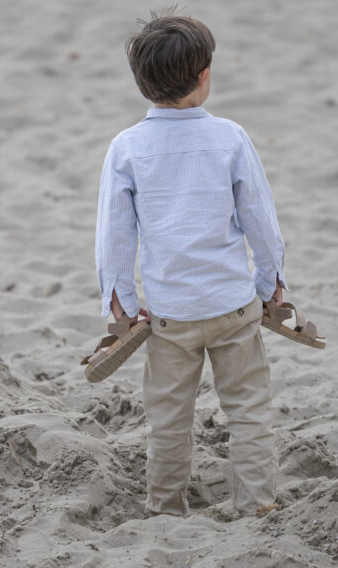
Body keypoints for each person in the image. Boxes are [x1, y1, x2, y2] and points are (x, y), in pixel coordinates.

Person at [95, 8, 287, 517]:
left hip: (167, 316)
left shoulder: (127, 148)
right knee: (248, 409)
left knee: (168, 416)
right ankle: (258, 503)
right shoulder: (229, 137)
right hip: (233, 307)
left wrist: (122, 308)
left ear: (142, 83)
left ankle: (165, 507)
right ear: (203, 77)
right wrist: (273, 285)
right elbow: (260, 222)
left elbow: (114, 238)